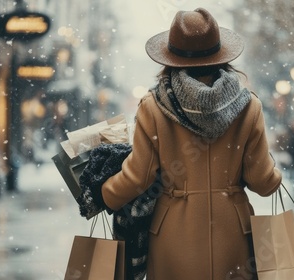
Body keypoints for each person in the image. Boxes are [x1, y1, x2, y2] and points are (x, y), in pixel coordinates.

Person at [101, 8, 282, 280]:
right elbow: (263, 182)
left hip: (172, 236)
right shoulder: (248, 106)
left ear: (171, 58)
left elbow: (138, 177)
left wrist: (104, 193)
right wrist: (273, 173)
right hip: (233, 236)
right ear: (221, 56)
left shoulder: (154, 107)